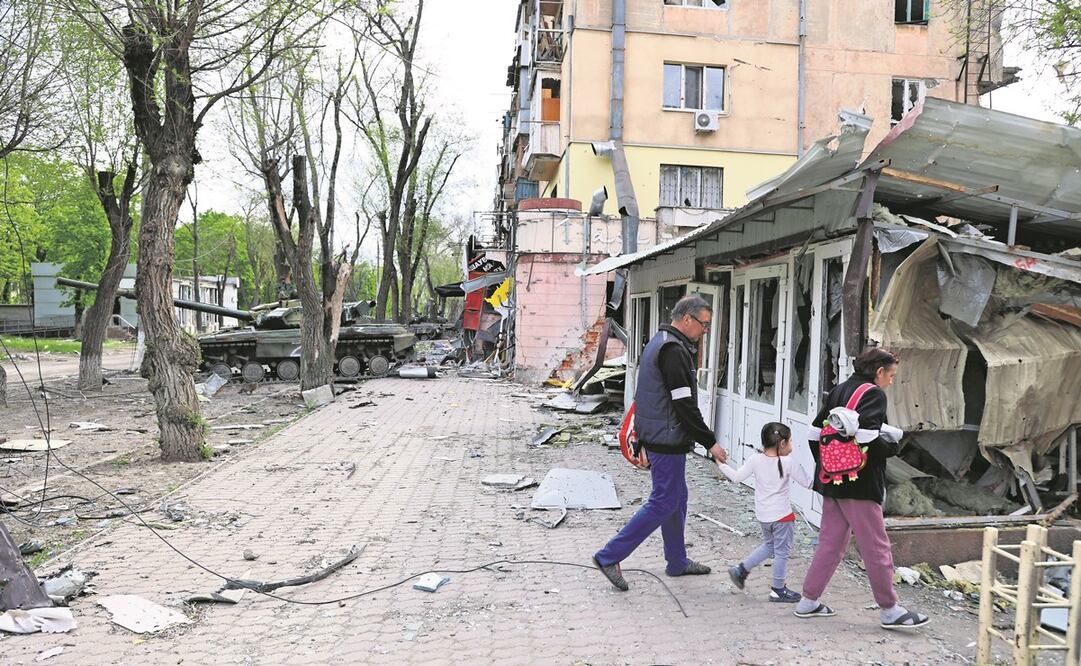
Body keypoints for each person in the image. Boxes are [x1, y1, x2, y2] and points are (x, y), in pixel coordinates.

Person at [593, 295, 728, 591]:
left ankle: (677, 561)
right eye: (704, 324)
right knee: (664, 500)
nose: (705, 330)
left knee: (677, 498)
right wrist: (711, 443)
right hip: (667, 438)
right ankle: (609, 556)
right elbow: (684, 406)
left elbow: (647, 395)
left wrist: (644, 436)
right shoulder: (673, 350)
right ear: (688, 319)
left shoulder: (660, 341)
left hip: (660, 434)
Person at [794, 347, 930, 629]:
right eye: (891, 375)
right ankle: (890, 610)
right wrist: (892, 448)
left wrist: (828, 464)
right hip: (861, 484)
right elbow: (868, 438)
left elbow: (814, 432)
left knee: (831, 544)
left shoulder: (840, 389)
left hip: (833, 482)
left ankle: (808, 600)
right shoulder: (874, 394)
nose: (891, 381)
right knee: (876, 546)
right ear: (879, 371)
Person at [719, 422, 811, 603]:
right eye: (790, 441)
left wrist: (720, 464)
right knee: (782, 552)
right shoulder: (789, 462)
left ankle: (741, 570)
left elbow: (736, 477)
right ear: (782, 443)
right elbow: (808, 483)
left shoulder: (755, 459)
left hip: (764, 516)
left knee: (770, 546)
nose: (792, 446)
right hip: (783, 517)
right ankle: (778, 589)